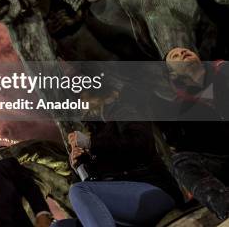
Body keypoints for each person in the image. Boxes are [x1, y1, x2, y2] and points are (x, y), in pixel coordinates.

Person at [52, 110, 182, 227]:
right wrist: (80, 165)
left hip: (153, 191)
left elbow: (140, 144)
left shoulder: (125, 110)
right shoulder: (96, 142)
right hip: (123, 206)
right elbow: (93, 186)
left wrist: (92, 143)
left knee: (78, 191)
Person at [156, 47, 229, 220]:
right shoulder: (182, 109)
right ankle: (225, 205)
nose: (182, 53)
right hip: (225, 160)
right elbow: (191, 148)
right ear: (172, 75)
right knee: (180, 162)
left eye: (185, 50)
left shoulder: (224, 70)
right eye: (175, 55)